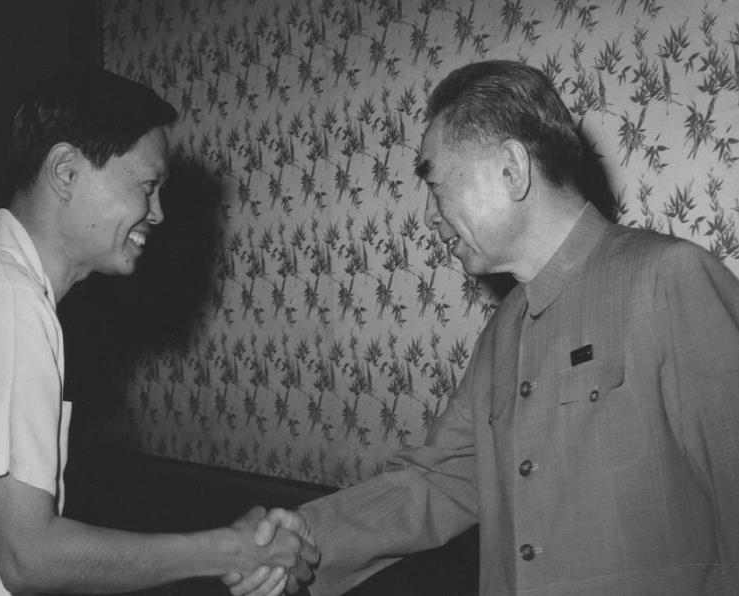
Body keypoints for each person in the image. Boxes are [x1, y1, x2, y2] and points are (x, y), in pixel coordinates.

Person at [228, 60, 739, 595]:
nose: (430, 216)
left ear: (512, 169)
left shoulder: (668, 278)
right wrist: (305, 535)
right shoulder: (503, 330)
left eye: (436, 183)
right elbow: (440, 479)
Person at [0, 68, 317, 596]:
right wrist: (231, 549)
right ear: (66, 171)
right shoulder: (5, 299)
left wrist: (232, 548)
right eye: (147, 186)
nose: (158, 213)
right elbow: (29, 556)